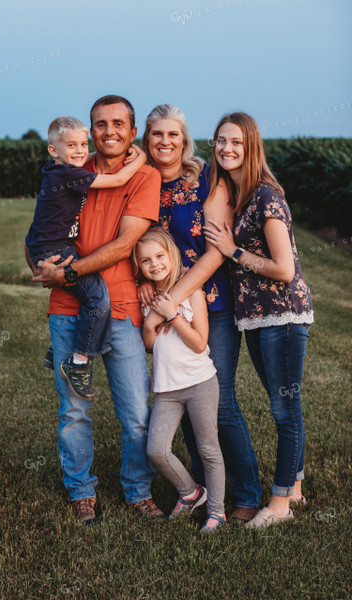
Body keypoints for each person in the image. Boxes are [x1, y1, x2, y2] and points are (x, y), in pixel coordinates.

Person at [27, 95, 164, 525]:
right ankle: (81, 491)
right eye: (100, 124)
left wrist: (67, 273)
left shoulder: (143, 177)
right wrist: (39, 265)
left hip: (121, 306)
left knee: (137, 413)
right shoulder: (73, 169)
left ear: (132, 128)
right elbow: (41, 225)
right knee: (74, 409)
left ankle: (138, 489)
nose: (109, 132)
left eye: (118, 124)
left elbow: (125, 245)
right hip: (68, 308)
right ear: (89, 130)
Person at [139, 104, 262, 522]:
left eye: (173, 134)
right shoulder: (143, 186)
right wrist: (144, 283)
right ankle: (200, 487)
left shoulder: (208, 178)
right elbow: (137, 245)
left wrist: (171, 300)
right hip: (167, 307)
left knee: (220, 400)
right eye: (157, 134)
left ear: (184, 138)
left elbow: (215, 252)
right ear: (147, 139)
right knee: (183, 397)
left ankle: (246, 492)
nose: (165, 142)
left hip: (213, 304)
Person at [204, 111, 313, 528]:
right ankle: (296, 487)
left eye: (236, 143)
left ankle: (280, 504)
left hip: (282, 316)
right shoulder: (242, 195)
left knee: (285, 410)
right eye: (220, 141)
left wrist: (233, 251)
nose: (226, 148)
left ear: (251, 149)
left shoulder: (266, 196)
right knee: (283, 405)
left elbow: (284, 269)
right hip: (256, 320)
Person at [26, 116, 147, 399]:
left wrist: (83, 151)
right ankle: (78, 362)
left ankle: (59, 347)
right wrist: (140, 157)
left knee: (84, 291)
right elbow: (117, 179)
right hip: (56, 250)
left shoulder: (56, 169)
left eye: (84, 144)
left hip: (45, 245)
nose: (81, 151)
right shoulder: (70, 175)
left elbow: (82, 156)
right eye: (72, 145)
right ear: (54, 150)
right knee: (97, 298)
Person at [133, 228, 226, 533]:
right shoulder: (146, 296)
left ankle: (217, 512)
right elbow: (150, 345)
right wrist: (150, 321)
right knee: (156, 450)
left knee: (208, 448)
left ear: (171, 254)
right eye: (146, 260)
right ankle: (190, 493)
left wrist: (172, 316)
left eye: (160, 256)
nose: (155, 264)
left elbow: (200, 343)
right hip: (166, 389)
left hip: (200, 382)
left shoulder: (192, 292)